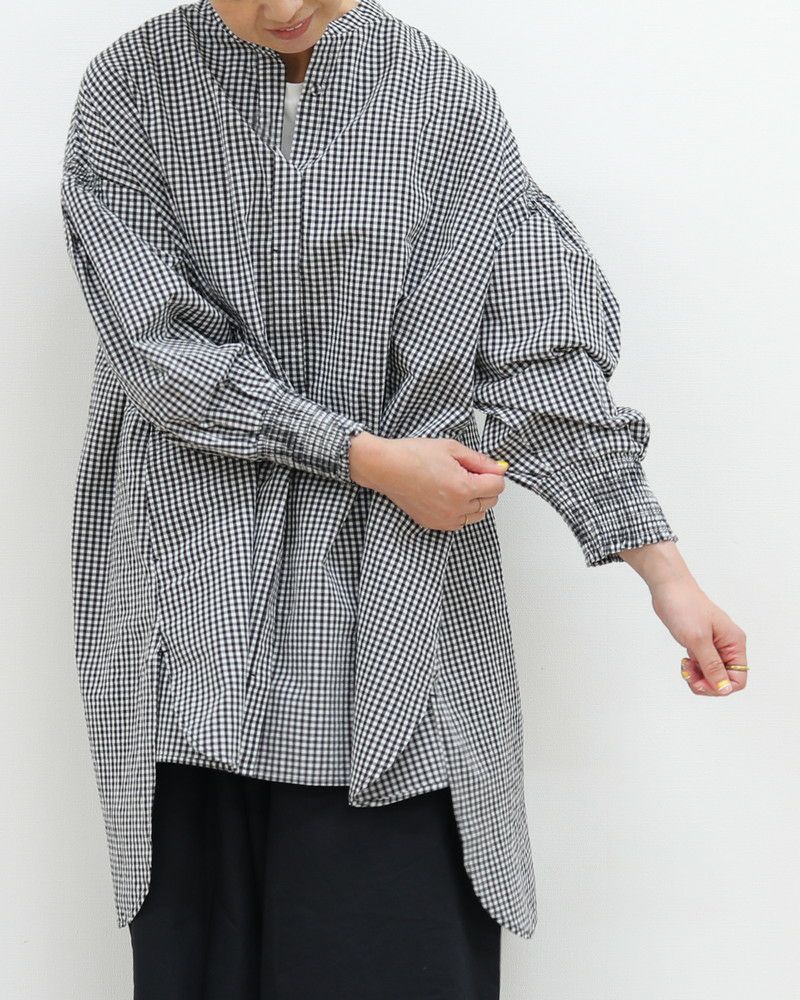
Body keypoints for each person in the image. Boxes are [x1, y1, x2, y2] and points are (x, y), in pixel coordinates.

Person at [59, 1, 749, 997]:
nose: (284, 9)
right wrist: (367, 458)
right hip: (195, 612)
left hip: (393, 623)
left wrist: (664, 573)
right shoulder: (132, 88)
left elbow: (540, 345)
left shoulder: (440, 100)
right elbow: (157, 352)